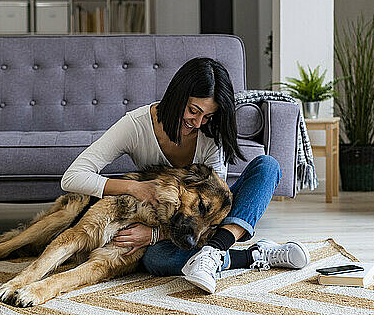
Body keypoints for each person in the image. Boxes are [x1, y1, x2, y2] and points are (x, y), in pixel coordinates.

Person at [61, 57, 310, 294]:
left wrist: (157, 236)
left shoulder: (210, 134)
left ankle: (215, 250)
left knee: (268, 166)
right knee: (157, 260)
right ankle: (252, 255)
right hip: (163, 221)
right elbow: (72, 177)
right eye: (193, 110)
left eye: (208, 116)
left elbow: (217, 205)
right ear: (178, 96)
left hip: (207, 224)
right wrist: (134, 189)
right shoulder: (136, 125)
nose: (199, 122)